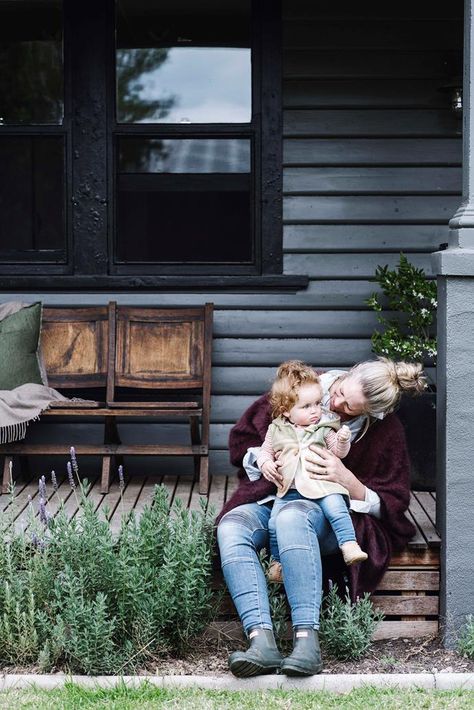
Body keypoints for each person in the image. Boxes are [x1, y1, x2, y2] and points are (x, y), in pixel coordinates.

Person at [216, 357, 425, 678]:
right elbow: (244, 437)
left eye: (350, 408)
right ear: (348, 373)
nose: (336, 402)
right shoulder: (303, 388)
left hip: (324, 511)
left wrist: (349, 480)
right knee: (232, 526)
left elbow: (393, 502)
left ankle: (306, 644)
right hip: (272, 495)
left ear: (370, 412)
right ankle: (262, 642)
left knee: (291, 519)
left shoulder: (386, 431)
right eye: (340, 391)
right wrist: (262, 458)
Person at [256, 360, 367, 582]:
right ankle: (277, 564)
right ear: (286, 411)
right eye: (306, 407)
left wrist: (343, 440)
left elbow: (338, 450)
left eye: (317, 403)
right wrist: (266, 464)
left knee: (337, 508)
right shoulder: (276, 429)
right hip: (289, 490)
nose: (316, 411)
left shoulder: (323, 428)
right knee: (274, 522)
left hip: (323, 486)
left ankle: (349, 545)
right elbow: (264, 452)